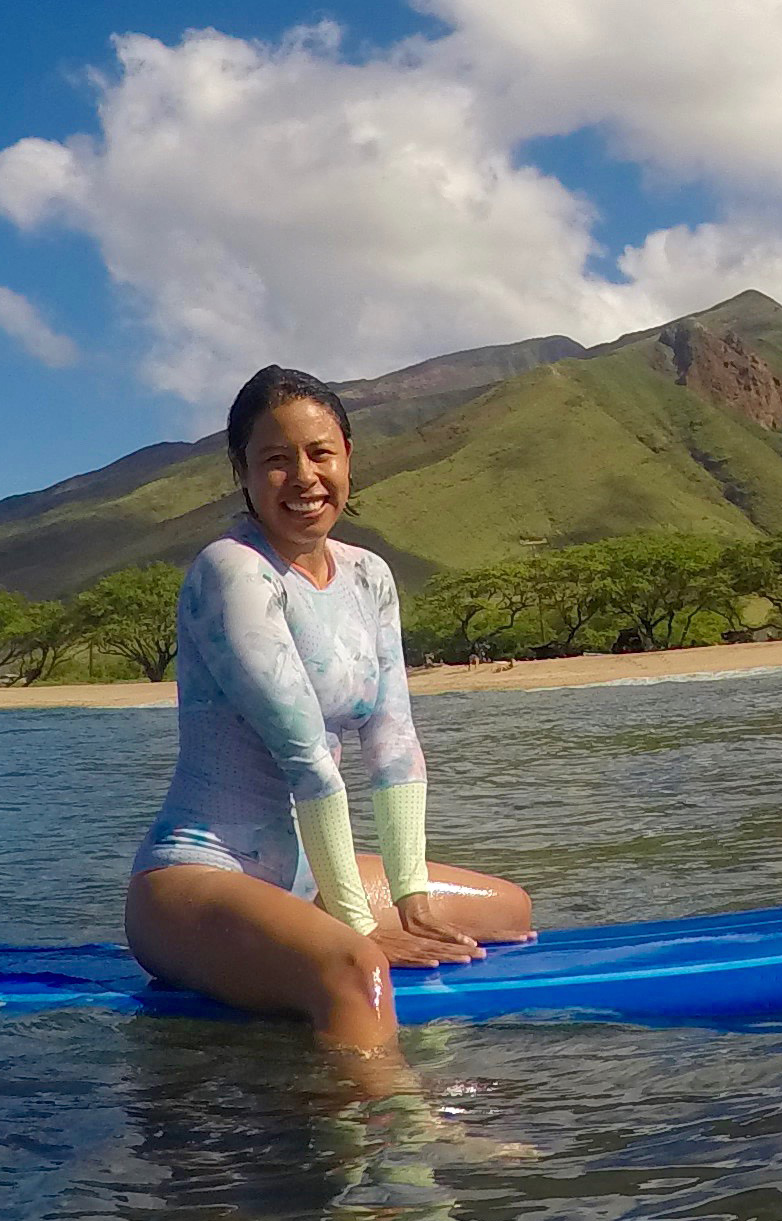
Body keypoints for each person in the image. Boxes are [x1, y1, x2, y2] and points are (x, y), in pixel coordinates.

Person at [124, 366, 536, 1057]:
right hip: (200, 875)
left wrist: (411, 899)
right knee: (357, 969)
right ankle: (396, 1147)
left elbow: (393, 737)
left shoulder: (368, 574)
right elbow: (306, 755)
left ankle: (340, 948)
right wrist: (358, 927)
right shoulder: (233, 571)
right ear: (244, 473)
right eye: (276, 460)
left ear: (347, 456)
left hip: (306, 872)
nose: (304, 478)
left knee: (507, 910)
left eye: (320, 454)